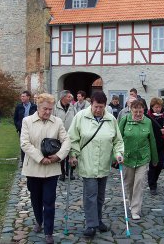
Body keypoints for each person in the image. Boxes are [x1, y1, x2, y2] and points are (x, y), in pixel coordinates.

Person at [68, 91, 124, 238]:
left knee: (100, 196)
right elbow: (72, 137)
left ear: (105, 106)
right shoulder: (80, 117)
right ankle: (91, 224)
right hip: (87, 162)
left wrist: (118, 154)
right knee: (90, 194)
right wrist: (73, 154)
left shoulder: (111, 119)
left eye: (101, 107)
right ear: (91, 104)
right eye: (96, 106)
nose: (98, 110)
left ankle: (98, 220)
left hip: (103, 163)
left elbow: (117, 140)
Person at [20, 93, 71, 244]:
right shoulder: (27, 121)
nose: (48, 112)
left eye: (50, 109)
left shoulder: (57, 122)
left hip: (52, 169)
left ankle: (49, 231)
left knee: (49, 201)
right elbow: (24, 143)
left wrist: (58, 156)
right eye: (45, 109)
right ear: (38, 107)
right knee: (35, 198)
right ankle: (39, 220)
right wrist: (40, 157)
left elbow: (67, 140)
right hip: (33, 168)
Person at [119, 99, 158, 220]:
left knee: (139, 183)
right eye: (135, 111)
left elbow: (152, 140)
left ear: (144, 111)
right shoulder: (125, 120)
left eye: (140, 111)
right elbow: (117, 139)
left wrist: (154, 158)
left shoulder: (148, 122)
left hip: (143, 158)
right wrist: (115, 156)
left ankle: (136, 209)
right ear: (131, 110)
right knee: (129, 183)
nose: (138, 114)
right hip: (127, 158)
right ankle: (131, 202)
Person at [146, 97, 164, 195]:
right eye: (156, 107)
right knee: (153, 165)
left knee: (160, 165)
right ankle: (152, 185)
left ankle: (154, 180)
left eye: (159, 107)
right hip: (152, 143)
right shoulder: (148, 117)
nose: (158, 109)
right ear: (152, 107)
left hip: (162, 144)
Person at [53, 90, 77, 181]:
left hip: (70, 135)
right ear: (63, 98)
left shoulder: (72, 107)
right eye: (68, 97)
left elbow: (75, 119)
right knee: (61, 155)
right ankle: (62, 173)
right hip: (59, 135)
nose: (70, 98)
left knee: (70, 154)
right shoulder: (56, 107)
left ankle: (70, 172)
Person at [14, 90, 37, 166]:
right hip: (22, 129)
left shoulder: (34, 106)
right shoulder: (19, 107)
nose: (22, 98)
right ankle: (24, 162)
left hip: (33, 129)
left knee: (32, 145)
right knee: (23, 145)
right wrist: (18, 126)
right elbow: (15, 118)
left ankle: (32, 160)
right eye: (21, 96)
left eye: (23, 96)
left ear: (28, 97)